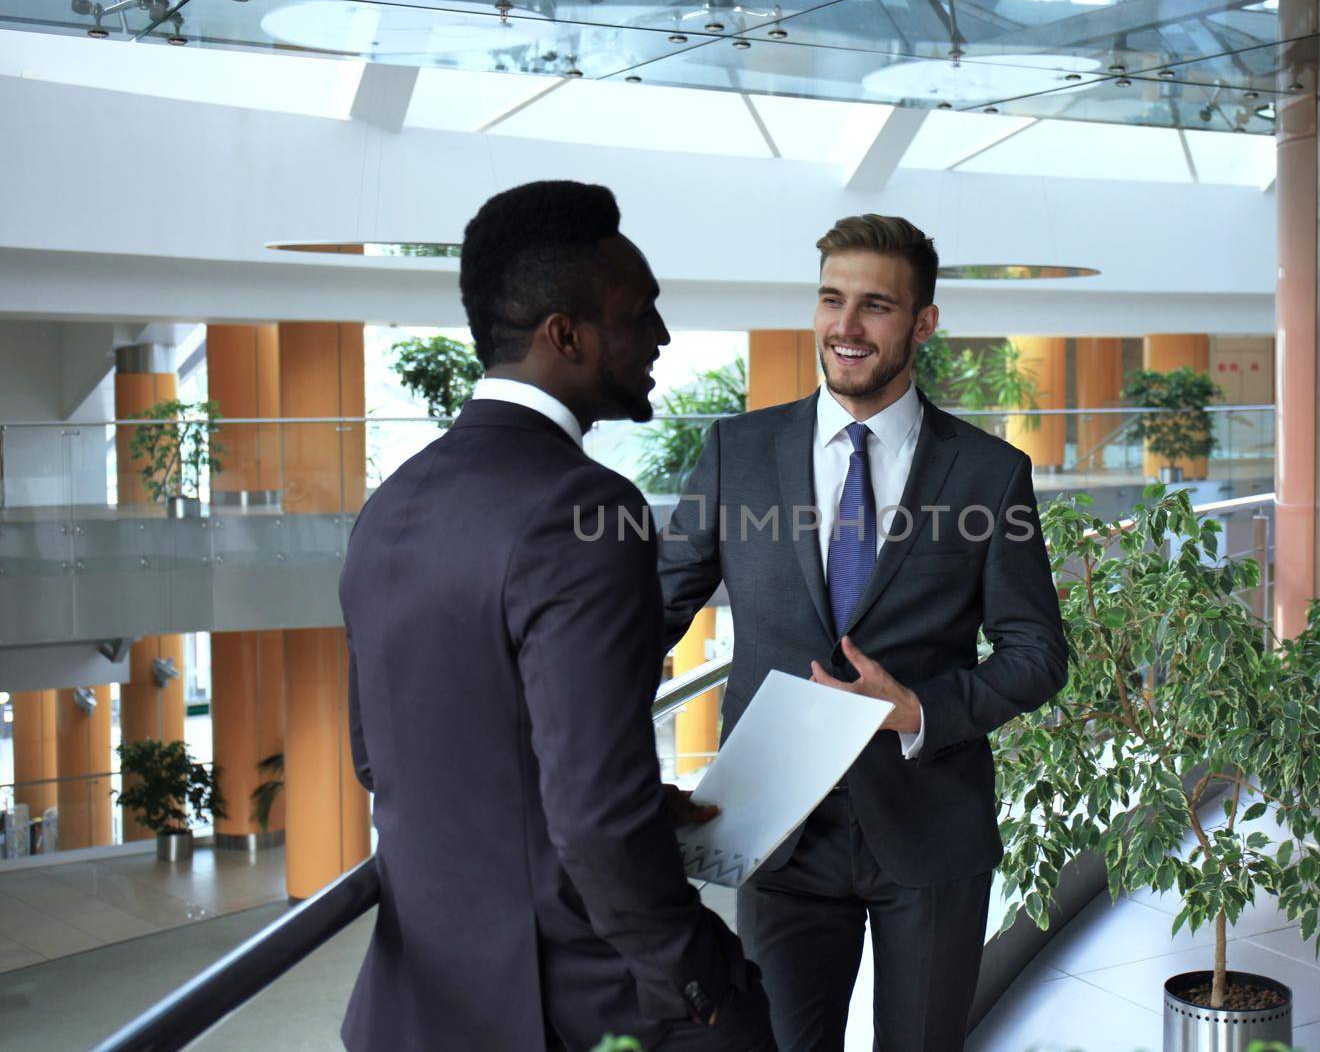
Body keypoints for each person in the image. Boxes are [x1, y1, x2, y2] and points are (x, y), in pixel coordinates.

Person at [340, 180, 773, 1052]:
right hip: (580, 1002)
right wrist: (698, 980)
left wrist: (626, 799)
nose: (661, 336)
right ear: (565, 335)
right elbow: (595, 819)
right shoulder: (587, 511)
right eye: (641, 311)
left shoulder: (390, 504)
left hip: (419, 1006)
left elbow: (382, 753)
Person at [656, 214, 1072, 1050]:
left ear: (923, 323)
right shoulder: (737, 452)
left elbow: (1037, 654)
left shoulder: (990, 474)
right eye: (831, 300)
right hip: (777, 833)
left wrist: (917, 707)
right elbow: (653, 612)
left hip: (929, 834)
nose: (846, 327)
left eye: (875, 306)